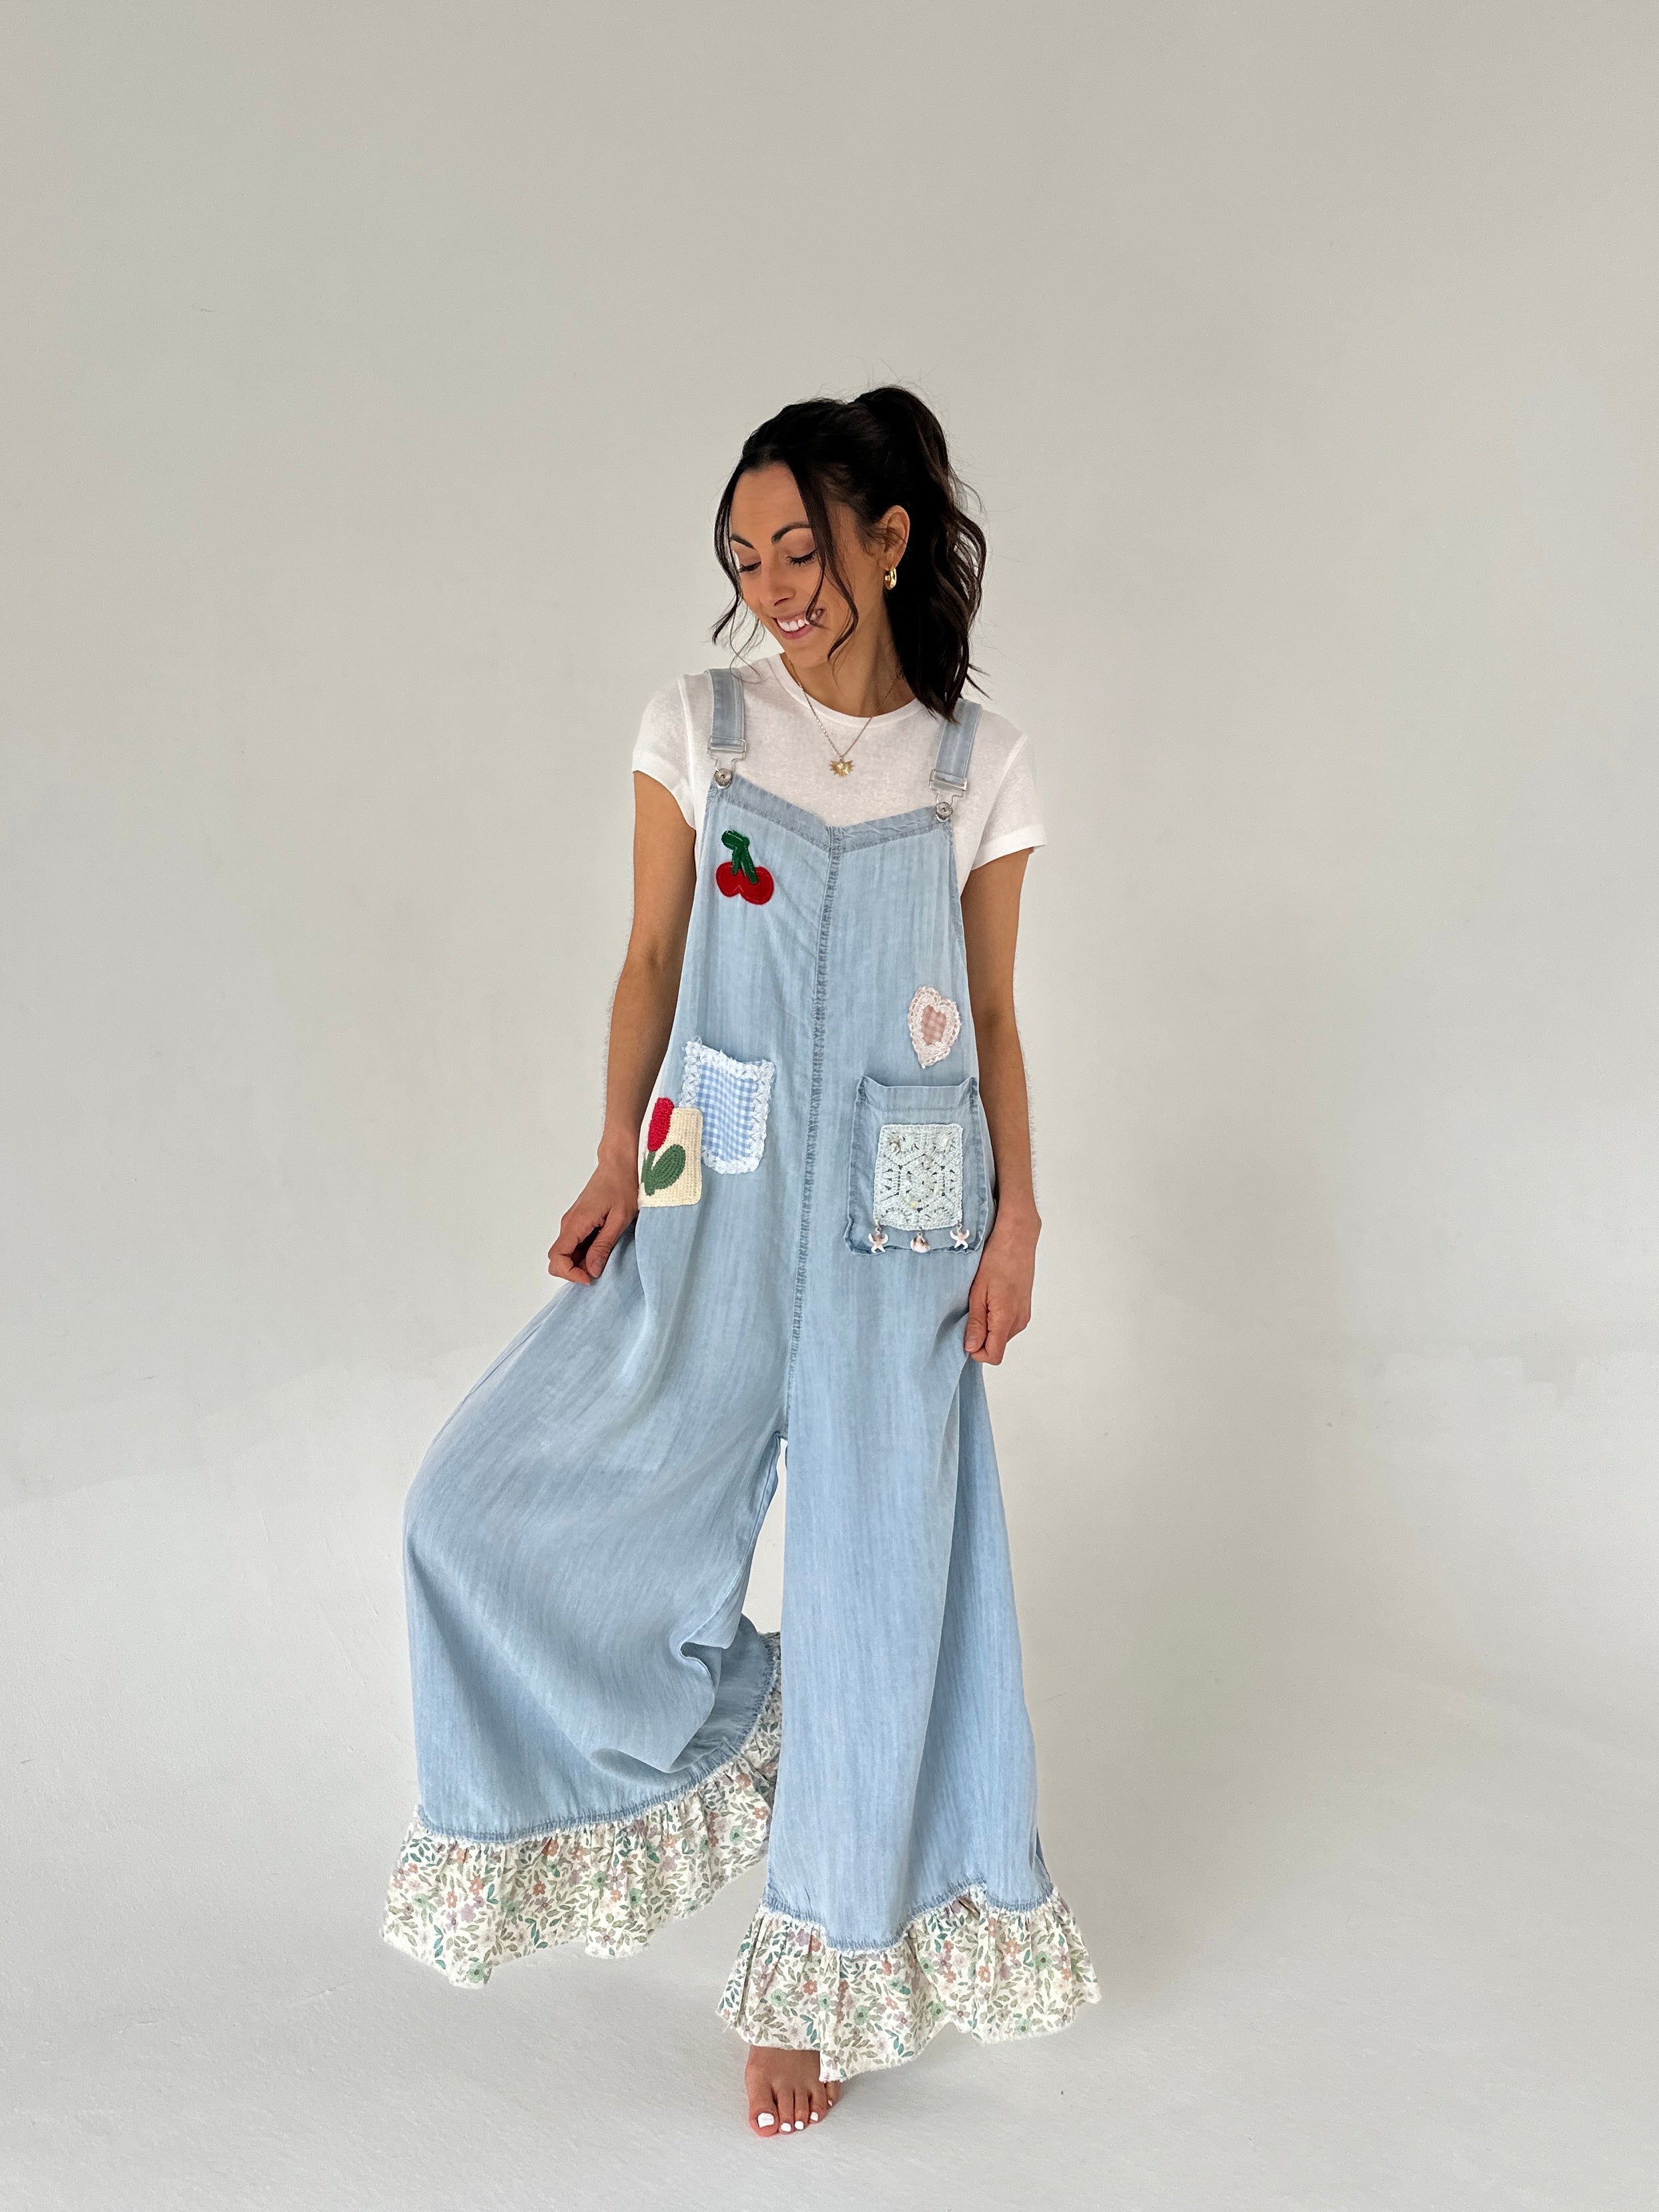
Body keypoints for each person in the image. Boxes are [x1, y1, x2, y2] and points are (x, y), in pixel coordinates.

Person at [381, 387, 1098, 2137]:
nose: (774, 588)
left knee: (882, 1574)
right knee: (471, 1506)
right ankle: (745, 1718)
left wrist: (1018, 1219)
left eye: (802, 548)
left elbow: (996, 1015)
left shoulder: (975, 761)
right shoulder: (698, 723)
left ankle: (816, 1984)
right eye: (745, 558)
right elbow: (650, 958)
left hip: (908, 1213)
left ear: (888, 540)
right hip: (714, 1176)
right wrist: (612, 1155)